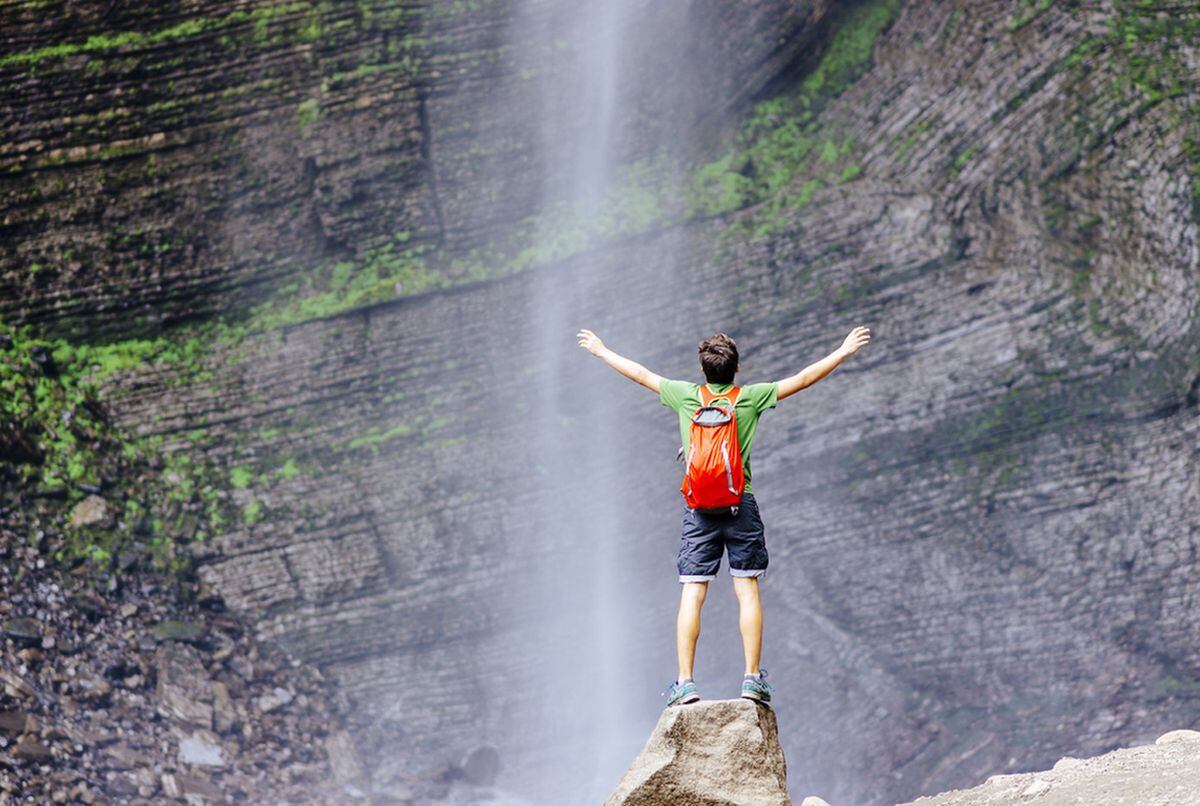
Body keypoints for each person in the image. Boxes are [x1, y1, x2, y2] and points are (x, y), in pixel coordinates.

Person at [575, 325, 871, 706]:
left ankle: (685, 682)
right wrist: (843, 350)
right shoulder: (750, 399)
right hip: (739, 503)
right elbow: (803, 378)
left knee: (692, 593)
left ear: (702, 371)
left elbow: (641, 373)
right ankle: (751, 679)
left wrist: (601, 350)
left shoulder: (684, 396)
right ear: (737, 369)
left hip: (698, 508)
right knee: (746, 590)